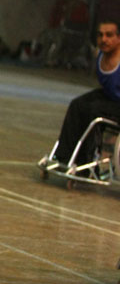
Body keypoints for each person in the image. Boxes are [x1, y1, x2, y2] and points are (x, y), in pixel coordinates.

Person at [43, 20, 120, 171]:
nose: (104, 39)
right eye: (100, 35)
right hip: (110, 97)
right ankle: (64, 156)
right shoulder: (100, 55)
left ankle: (86, 163)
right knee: (77, 105)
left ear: (118, 38)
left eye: (109, 35)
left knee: (94, 110)